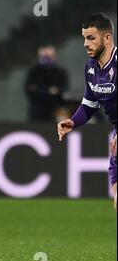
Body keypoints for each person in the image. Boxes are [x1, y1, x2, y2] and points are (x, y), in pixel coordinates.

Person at [57, 13, 117, 211]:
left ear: (107, 38)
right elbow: (90, 104)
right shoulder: (91, 67)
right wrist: (73, 122)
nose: (85, 43)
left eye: (91, 38)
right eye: (84, 38)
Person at [25, 45, 69, 122]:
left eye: (49, 55)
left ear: (54, 56)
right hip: (37, 111)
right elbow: (30, 90)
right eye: (44, 56)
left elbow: (62, 90)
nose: (46, 58)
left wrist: (40, 90)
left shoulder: (61, 72)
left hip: (55, 109)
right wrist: (49, 91)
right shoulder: (33, 72)